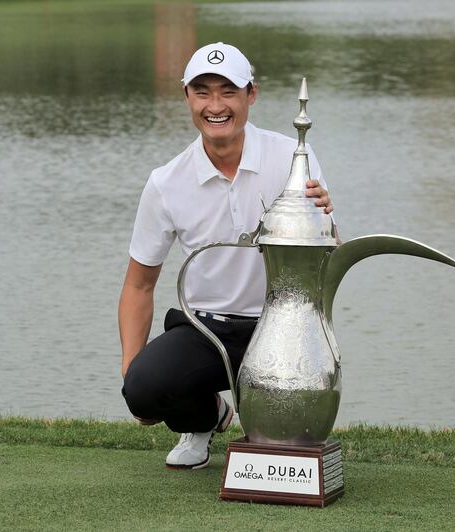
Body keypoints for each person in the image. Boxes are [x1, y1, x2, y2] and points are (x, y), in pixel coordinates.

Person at [118, 42, 333, 469]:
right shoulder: (166, 182)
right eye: (202, 91)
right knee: (144, 388)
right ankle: (207, 419)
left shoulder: (293, 158)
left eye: (228, 91)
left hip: (280, 326)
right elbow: (139, 284)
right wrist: (130, 375)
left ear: (250, 94)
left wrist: (326, 220)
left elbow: (325, 257)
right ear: (187, 97)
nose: (215, 105)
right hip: (205, 330)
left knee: (284, 450)